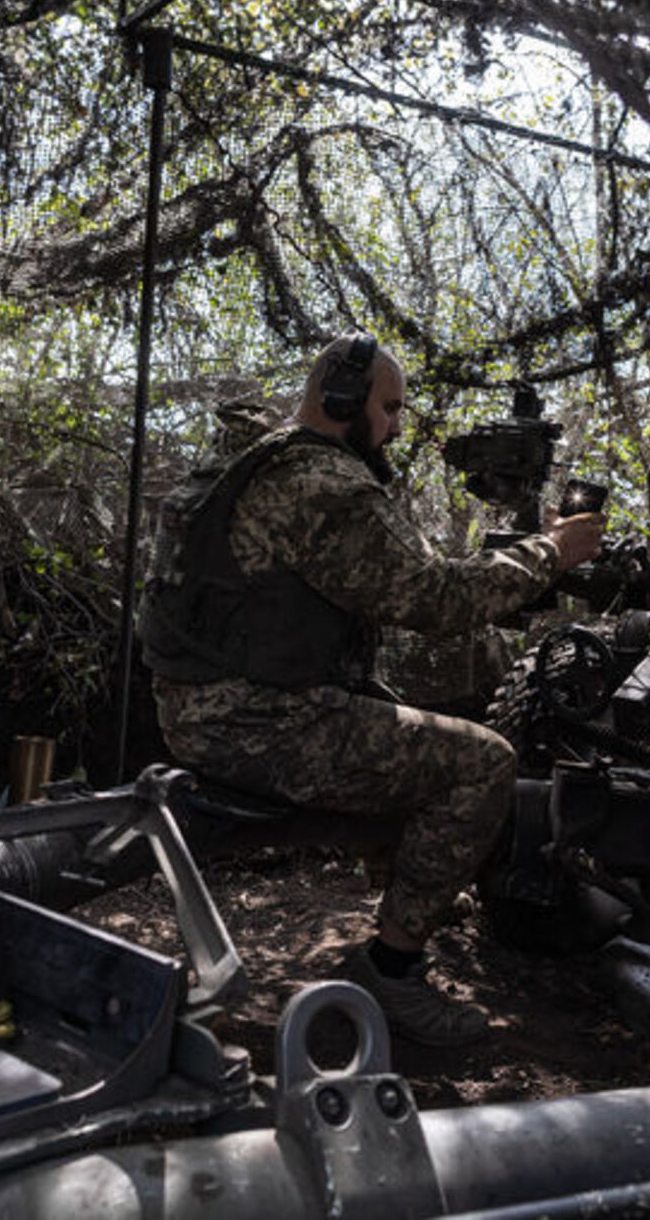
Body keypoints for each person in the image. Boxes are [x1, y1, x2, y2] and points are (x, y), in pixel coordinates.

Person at [140, 333, 604, 1046]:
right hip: (258, 722)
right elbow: (430, 598)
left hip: (205, 706)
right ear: (341, 403)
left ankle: (410, 898)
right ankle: (391, 972)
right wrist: (550, 552)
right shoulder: (323, 486)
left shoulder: (256, 455)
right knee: (483, 761)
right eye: (389, 409)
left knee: (408, 723)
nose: (394, 426)